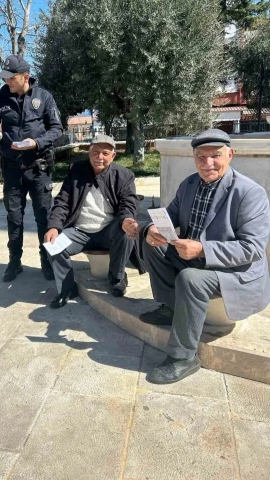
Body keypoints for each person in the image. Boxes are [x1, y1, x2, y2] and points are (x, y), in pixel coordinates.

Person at [139, 129, 270, 384]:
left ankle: (184, 357)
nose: (208, 163)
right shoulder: (189, 184)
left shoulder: (249, 193)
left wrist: (202, 249)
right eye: (201, 156)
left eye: (215, 156)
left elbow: (253, 248)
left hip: (234, 270)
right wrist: (151, 229)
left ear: (230, 155)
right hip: (195, 257)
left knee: (191, 278)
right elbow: (171, 215)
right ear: (194, 158)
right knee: (151, 246)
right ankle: (172, 307)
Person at [0, 54, 63, 282]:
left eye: (11, 77)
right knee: (14, 218)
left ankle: (46, 262)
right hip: (12, 169)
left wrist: (37, 143)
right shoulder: (1, 98)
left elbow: (57, 129)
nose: (7, 81)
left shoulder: (44, 97)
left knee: (43, 218)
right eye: (5, 77)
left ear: (25, 76)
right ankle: (14, 262)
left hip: (38, 167)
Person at [45, 134, 142, 309]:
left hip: (108, 230)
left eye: (105, 153)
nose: (100, 157)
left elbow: (129, 201)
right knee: (53, 245)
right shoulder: (76, 170)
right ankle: (67, 289)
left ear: (113, 156)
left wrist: (127, 219)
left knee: (127, 232)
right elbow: (62, 202)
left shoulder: (124, 175)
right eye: (95, 152)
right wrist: (54, 226)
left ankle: (117, 277)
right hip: (79, 231)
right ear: (89, 153)